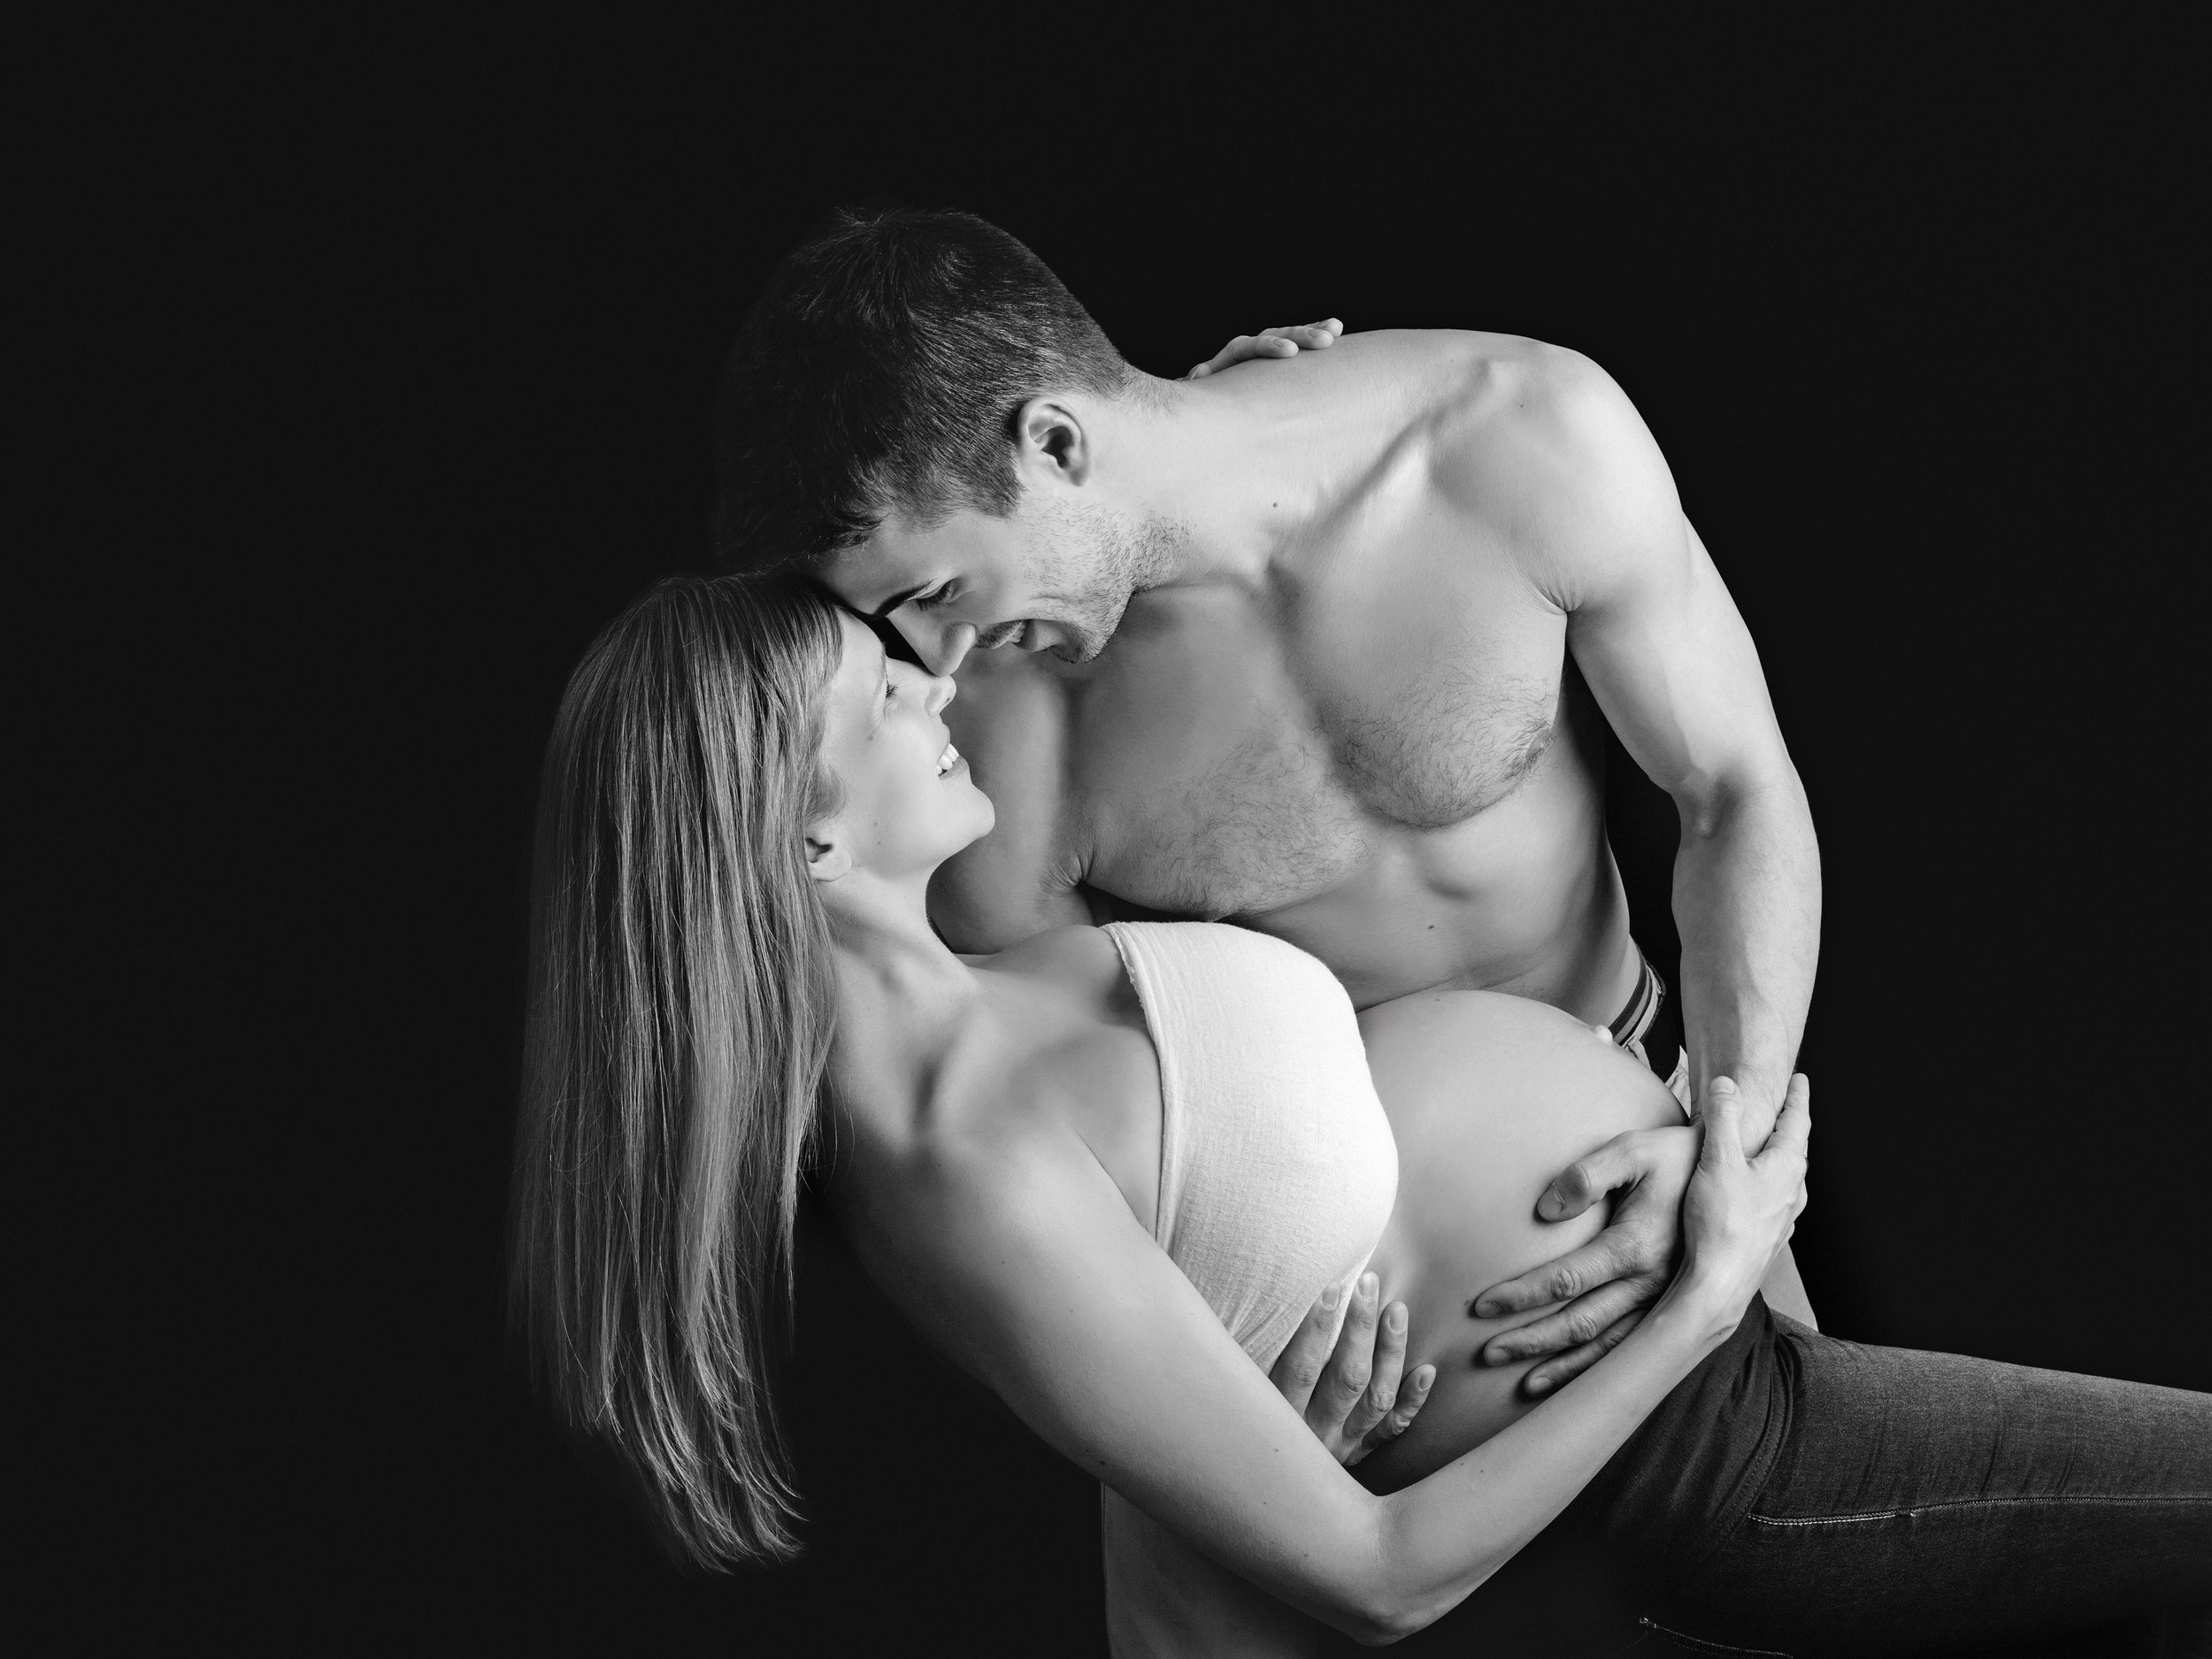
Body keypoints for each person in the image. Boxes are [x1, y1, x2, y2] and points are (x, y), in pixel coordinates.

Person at [507, 573, 2211, 1657]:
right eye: (871, 704)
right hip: (1698, 1451)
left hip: (1712, 1383)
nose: (931, 691)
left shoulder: (1003, 971)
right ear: (804, 849)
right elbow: (1372, 1571)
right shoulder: (954, 1159)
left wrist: (1211, 436)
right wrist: (1696, 1297)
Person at [706, 206, 1821, 1406]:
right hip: (1364, 1331)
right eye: (900, 621)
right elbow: (1084, 1152)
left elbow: (1734, 793)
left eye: (938, 590)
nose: (935, 654)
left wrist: (1728, 1146)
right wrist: (1251, 1398)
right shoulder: (1001, 736)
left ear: (1056, 444)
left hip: (1665, 1122)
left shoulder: (1523, 439)